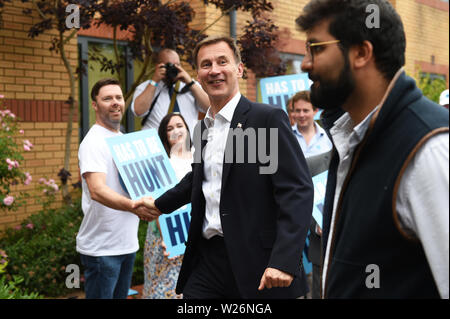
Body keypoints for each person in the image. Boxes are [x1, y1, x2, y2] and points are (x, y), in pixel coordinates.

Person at [297, 0, 449, 298]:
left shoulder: (429, 148)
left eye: (316, 48)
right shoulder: (353, 139)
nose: (305, 63)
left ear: (362, 53)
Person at [144, 35, 314, 299]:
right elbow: (200, 178)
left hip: (259, 263)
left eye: (222, 62)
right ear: (198, 75)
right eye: (206, 64)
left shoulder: (263, 120)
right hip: (208, 261)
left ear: (239, 68)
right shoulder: (203, 129)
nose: (214, 70)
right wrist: (158, 205)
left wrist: (283, 260)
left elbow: (296, 191)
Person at [76, 78, 154, 299]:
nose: (115, 102)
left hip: (126, 243)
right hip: (103, 249)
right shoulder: (93, 142)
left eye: (118, 97)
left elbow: (140, 186)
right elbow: (97, 190)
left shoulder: (123, 140)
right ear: (95, 105)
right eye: (107, 98)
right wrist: (134, 207)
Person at [142, 113, 193, 299]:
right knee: (165, 292)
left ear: (187, 128)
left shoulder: (200, 158)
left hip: (195, 236)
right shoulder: (162, 164)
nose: (176, 131)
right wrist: (168, 239)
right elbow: (156, 204)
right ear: (164, 136)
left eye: (179, 125)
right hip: (166, 235)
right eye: (169, 129)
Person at [131, 48, 210, 136]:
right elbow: (138, 111)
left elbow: (210, 108)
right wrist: (154, 81)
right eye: (169, 65)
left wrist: (190, 83)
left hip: (187, 146)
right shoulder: (146, 87)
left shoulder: (191, 86)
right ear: (158, 66)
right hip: (158, 146)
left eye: (177, 65)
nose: (174, 68)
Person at [291, 90, 332, 157]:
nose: (301, 115)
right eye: (298, 111)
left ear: (315, 111)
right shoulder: (285, 136)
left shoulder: (328, 137)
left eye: (305, 111)